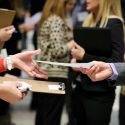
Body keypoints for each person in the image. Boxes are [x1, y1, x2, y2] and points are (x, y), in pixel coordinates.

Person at [70, 0, 124, 125]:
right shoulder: (88, 20)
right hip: (79, 87)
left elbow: (116, 63)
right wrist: (75, 60)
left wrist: (84, 56)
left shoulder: (114, 23)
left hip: (99, 93)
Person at [35, 0, 74, 125]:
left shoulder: (47, 20)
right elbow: (58, 50)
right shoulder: (56, 21)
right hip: (55, 75)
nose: (71, 7)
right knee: (52, 116)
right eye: (69, 4)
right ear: (60, 4)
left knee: (43, 113)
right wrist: (72, 43)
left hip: (44, 73)